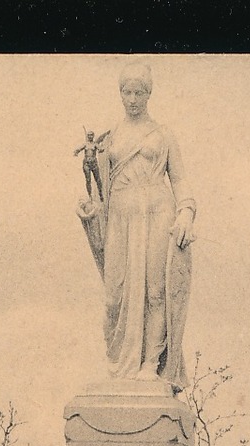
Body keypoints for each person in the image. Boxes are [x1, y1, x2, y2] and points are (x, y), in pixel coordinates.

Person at [77, 62, 197, 390]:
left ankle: (149, 364)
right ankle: (120, 366)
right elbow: (102, 188)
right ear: (120, 93)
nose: (132, 99)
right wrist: (91, 190)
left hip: (158, 211)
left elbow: (181, 179)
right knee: (115, 295)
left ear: (148, 94)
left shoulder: (163, 134)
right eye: (126, 92)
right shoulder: (110, 137)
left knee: (155, 290)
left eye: (139, 92)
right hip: (120, 217)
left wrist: (186, 212)